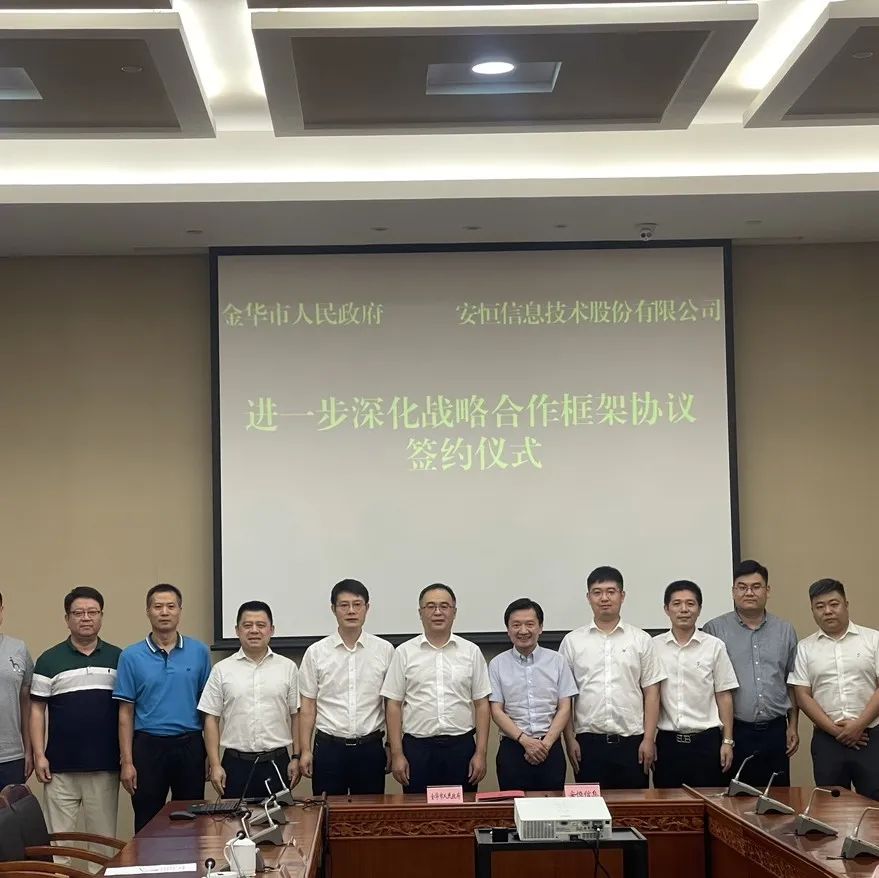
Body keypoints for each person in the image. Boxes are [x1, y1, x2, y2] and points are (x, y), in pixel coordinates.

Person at [113, 583, 212, 832]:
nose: (164, 612)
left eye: (171, 606)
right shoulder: (131, 656)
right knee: (147, 822)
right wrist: (127, 762)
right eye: (158, 607)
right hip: (148, 747)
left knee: (191, 821)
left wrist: (211, 756)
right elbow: (125, 713)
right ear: (148, 611)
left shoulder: (199, 652)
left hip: (189, 745)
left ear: (180, 611)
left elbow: (208, 710)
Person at [560, 566, 666, 789]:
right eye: (597, 592)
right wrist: (570, 740)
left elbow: (652, 693)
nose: (604, 598)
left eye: (611, 591)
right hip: (587, 743)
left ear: (622, 596)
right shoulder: (572, 642)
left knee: (633, 806)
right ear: (588, 597)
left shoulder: (640, 639)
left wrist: (649, 739)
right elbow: (565, 697)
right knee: (590, 809)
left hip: (632, 743)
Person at [30, 586, 122, 839]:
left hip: (105, 766)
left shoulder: (119, 658)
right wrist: (39, 755)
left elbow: (128, 711)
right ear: (67, 618)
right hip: (59, 768)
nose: (86, 618)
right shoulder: (49, 660)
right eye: (78, 613)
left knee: (103, 843)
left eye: (92, 612)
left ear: (101, 616)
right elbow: (36, 710)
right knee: (58, 843)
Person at [382, 583, 491, 793]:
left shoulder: (471, 652)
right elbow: (393, 705)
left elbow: (482, 704)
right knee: (418, 811)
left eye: (444, 606)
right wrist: (397, 754)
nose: (438, 612)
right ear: (420, 613)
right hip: (417, 750)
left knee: (461, 811)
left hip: (461, 749)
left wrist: (481, 753)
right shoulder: (404, 652)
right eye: (430, 606)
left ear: (454, 612)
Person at [703, 559, 799, 787]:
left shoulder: (785, 630)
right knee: (734, 799)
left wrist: (793, 726)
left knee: (777, 798)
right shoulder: (714, 629)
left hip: (775, 730)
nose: (749, 593)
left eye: (756, 587)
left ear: (767, 590)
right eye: (742, 587)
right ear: (733, 591)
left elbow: (792, 683)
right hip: (735, 730)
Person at [298, 580, 394, 795]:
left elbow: (392, 705)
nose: (351, 611)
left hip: (370, 748)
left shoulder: (385, 650)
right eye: (344, 605)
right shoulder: (316, 652)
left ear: (367, 608)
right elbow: (308, 706)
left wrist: (391, 746)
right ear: (333, 609)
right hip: (328, 749)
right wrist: (305, 750)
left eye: (357, 604)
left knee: (370, 813)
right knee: (327, 811)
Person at [199, 601, 300, 801]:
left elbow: (296, 715)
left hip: (276, 762)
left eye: (261, 625)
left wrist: (296, 757)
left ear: (271, 630)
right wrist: (215, 764)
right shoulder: (221, 670)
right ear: (237, 630)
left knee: (280, 819)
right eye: (247, 625)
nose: (254, 630)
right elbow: (211, 718)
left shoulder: (288, 668)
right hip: (235, 764)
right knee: (234, 819)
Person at [789, 579, 879, 800]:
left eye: (834, 604)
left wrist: (858, 725)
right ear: (812, 610)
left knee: (875, 804)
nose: (827, 611)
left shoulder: (873, 639)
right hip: (827, 740)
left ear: (846, 604)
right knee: (830, 805)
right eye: (819, 606)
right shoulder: (805, 648)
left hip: (871, 737)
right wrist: (837, 731)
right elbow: (802, 695)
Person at [652, 581, 738, 788]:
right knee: (668, 804)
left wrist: (727, 741)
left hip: (706, 743)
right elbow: (650, 696)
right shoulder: (653, 647)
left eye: (690, 604)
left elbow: (724, 696)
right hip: (668, 744)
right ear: (666, 609)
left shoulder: (714, 646)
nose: (684, 609)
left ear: (699, 609)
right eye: (677, 604)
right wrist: (649, 739)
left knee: (709, 802)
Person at [488, 598, 578, 791]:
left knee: (553, 807)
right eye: (516, 625)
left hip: (550, 747)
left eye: (530, 624)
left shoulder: (557, 661)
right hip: (513, 748)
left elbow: (564, 707)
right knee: (513, 806)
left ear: (540, 627)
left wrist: (545, 744)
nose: (523, 630)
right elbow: (496, 710)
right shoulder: (497, 664)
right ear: (508, 629)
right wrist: (525, 741)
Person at [0, 591, 33, 786]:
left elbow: (26, 704)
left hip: (11, 757)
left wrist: (29, 750)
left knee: (10, 807)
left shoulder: (18, 648)